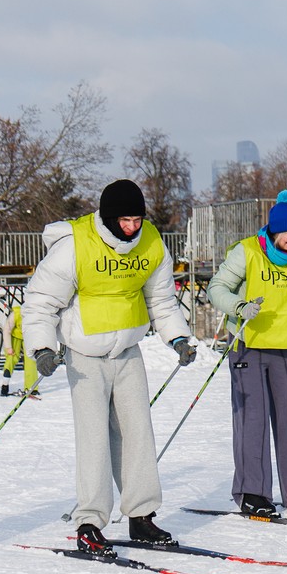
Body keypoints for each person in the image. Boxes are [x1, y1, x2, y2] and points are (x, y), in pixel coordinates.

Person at [23, 179, 195, 553]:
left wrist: (178, 338)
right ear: (108, 216)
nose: (132, 227)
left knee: (138, 433)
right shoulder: (74, 246)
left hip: (128, 352)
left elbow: (161, 300)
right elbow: (39, 302)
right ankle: (89, 521)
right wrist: (42, 349)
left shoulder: (150, 243)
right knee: (94, 438)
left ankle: (141, 516)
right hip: (84, 355)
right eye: (126, 219)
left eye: (138, 218)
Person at [206, 190, 287, 520]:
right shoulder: (247, 252)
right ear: (274, 232)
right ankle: (253, 492)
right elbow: (216, 288)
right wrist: (239, 307)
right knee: (253, 422)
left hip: (284, 344)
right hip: (247, 343)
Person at [1, 301, 38, 396]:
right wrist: (9, 347)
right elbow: (6, 330)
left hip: (27, 336)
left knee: (31, 360)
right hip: (14, 336)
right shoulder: (15, 314)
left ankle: (32, 387)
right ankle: (5, 385)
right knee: (11, 357)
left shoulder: (34, 315)